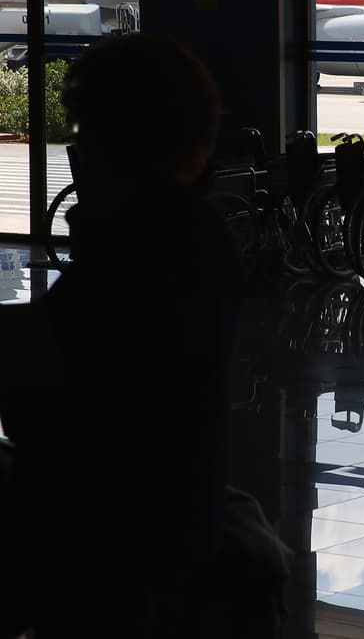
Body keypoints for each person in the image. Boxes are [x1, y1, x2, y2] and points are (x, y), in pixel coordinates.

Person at [0, 33, 249, 633]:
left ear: (115, 141)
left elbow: (55, 362)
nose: (80, 152)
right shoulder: (195, 229)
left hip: (113, 545)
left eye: (85, 133)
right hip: (166, 530)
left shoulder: (149, 240)